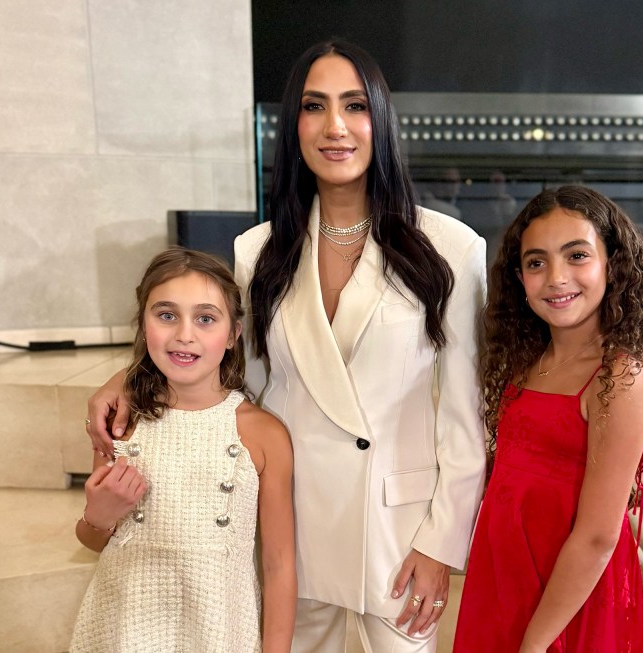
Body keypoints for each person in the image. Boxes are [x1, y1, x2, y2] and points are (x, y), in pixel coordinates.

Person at [86, 40, 487, 652]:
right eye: (313, 106)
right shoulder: (257, 250)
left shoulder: (450, 249)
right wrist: (132, 374)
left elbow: (465, 417)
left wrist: (442, 544)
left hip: (397, 536)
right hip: (290, 527)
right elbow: (226, 368)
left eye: (354, 106)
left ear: (380, 118)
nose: (335, 127)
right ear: (291, 125)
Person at [453, 185, 643, 652]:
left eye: (576, 255)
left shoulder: (619, 376)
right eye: (536, 262)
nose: (556, 277)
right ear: (519, 278)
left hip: (566, 598)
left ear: (612, 264)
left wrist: (534, 643)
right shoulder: (527, 361)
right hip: (504, 577)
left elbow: (596, 537)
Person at [71, 248, 295, 652]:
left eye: (205, 318)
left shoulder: (263, 435)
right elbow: (92, 539)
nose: (184, 334)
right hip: (125, 625)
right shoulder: (122, 421)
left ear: (232, 335)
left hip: (218, 629)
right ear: (143, 324)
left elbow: (279, 566)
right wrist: (98, 516)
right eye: (167, 315)